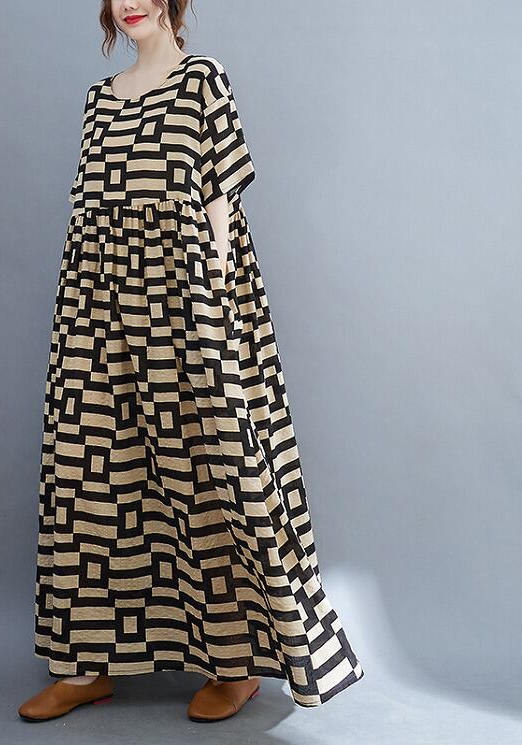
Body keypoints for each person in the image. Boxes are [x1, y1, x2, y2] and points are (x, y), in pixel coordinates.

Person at [18, 0, 364, 724]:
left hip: (185, 296)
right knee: (89, 471)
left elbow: (220, 200)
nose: (130, 2)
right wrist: (80, 314)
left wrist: (213, 304)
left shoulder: (204, 79)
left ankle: (233, 664)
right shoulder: (98, 99)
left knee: (208, 467)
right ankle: (83, 665)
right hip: (98, 303)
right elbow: (90, 212)